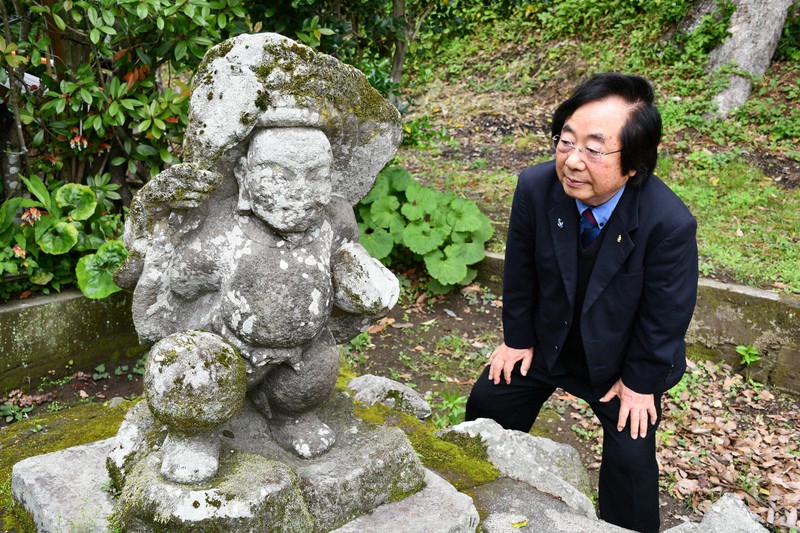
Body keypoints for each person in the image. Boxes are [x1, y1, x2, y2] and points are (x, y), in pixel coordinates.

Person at [465, 73, 698, 533]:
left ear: (633, 163)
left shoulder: (667, 223)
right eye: (565, 140)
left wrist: (639, 382)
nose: (572, 161)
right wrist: (517, 340)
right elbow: (520, 272)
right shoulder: (535, 187)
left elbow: (666, 314)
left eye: (593, 149)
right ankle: (474, 502)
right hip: (548, 342)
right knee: (488, 402)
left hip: (621, 366)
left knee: (631, 463)